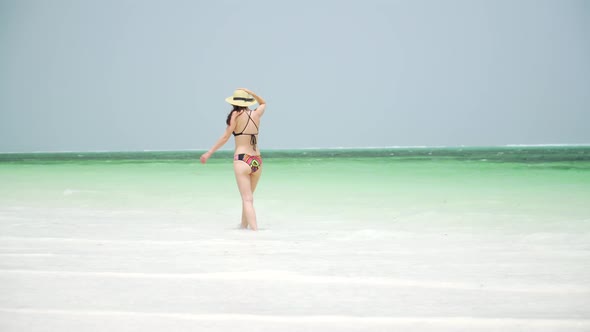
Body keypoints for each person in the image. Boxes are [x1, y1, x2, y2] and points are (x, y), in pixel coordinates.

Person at [200, 88, 266, 231]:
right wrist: (251, 92)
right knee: (248, 198)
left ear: (234, 102)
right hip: (257, 161)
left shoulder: (235, 115)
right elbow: (263, 103)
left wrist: (209, 152)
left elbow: (225, 137)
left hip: (242, 160)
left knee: (247, 199)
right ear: (247, 101)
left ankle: (255, 232)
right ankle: (243, 227)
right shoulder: (256, 114)